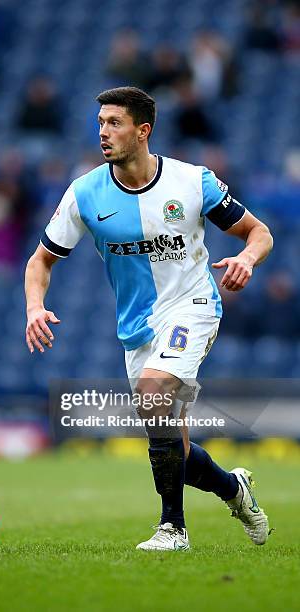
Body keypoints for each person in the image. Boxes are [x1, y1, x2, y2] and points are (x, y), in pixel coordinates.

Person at [24, 87, 273, 552]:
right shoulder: (85, 193)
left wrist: (247, 259)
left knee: (153, 390)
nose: (103, 132)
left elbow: (258, 233)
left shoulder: (191, 182)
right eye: (100, 122)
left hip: (192, 307)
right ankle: (234, 490)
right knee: (172, 445)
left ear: (143, 131)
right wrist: (35, 306)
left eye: (114, 123)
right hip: (136, 329)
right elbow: (40, 261)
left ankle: (172, 529)